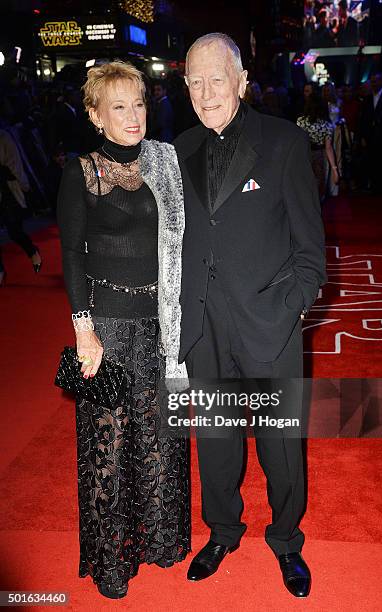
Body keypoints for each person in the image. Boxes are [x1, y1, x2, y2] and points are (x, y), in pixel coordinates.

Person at [174, 33, 326, 598]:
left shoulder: (284, 143)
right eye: (195, 80)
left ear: (241, 81)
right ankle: (222, 532)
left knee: (281, 445)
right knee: (215, 441)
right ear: (185, 86)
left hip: (270, 324)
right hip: (204, 327)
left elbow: (312, 249)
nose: (207, 90)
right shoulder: (178, 149)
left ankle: (287, 541)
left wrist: (290, 305)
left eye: (218, 78)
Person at [57, 61, 190, 599]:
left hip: (161, 322)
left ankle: (160, 541)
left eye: (138, 104)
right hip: (107, 326)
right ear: (95, 115)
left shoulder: (164, 162)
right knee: (108, 444)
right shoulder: (81, 172)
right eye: (119, 107)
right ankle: (112, 560)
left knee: (161, 435)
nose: (133, 117)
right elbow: (70, 254)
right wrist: (83, 330)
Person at [0, 129, 42, 285]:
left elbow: (14, 163)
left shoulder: (4, 136)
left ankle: (32, 251)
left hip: (7, 189)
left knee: (14, 230)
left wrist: (24, 185)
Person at [359, 73, 382, 194]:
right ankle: (374, 187)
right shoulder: (368, 99)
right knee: (372, 163)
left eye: (376, 81)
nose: (374, 84)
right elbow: (364, 120)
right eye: (372, 81)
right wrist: (363, 137)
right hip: (371, 138)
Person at [297, 91, 338, 201]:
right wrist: (334, 169)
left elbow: (297, 143)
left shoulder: (301, 121)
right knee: (318, 186)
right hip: (319, 156)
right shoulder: (326, 125)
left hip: (304, 156)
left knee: (305, 186)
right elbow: (328, 148)